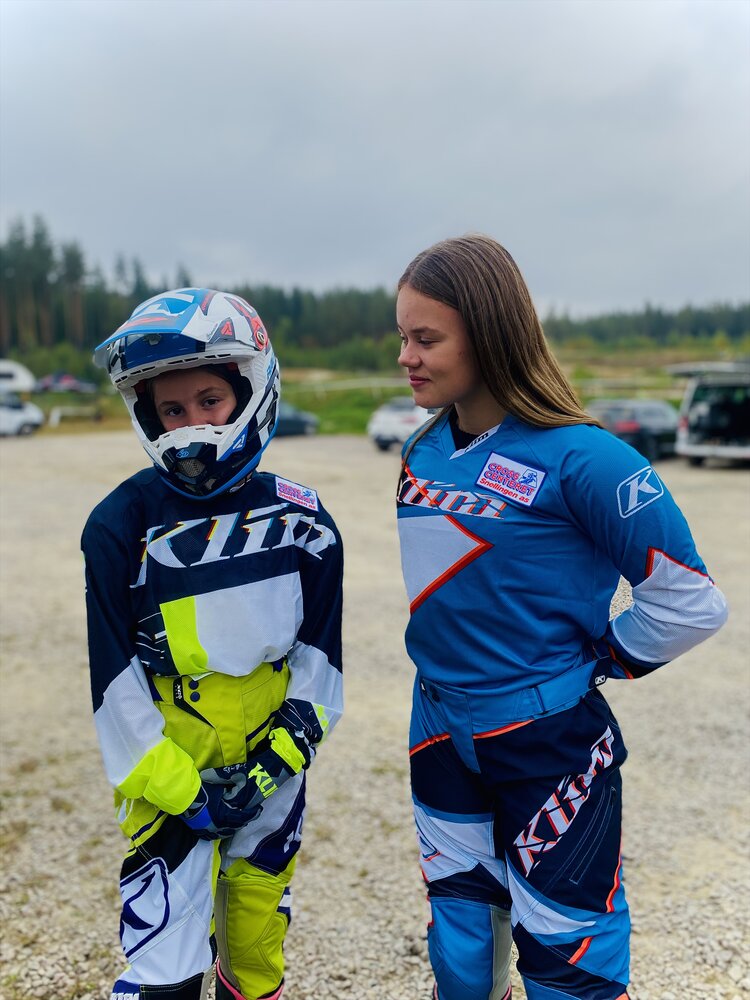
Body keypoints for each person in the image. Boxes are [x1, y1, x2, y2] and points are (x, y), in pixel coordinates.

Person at [393, 235, 728, 1000]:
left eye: (426, 339)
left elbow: (690, 602)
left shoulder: (589, 458)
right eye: (402, 337)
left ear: (490, 333)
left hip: (549, 740)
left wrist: (603, 660)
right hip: (437, 727)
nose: (406, 357)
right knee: (461, 955)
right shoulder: (421, 451)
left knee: (568, 966)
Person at [82, 288, 343, 1000]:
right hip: (169, 773)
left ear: (250, 391)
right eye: (171, 410)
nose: (191, 423)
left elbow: (322, 660)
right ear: (147, 415)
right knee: (163, 964)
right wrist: (182, 790)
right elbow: (112, 684)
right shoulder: (117, 525)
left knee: (254, 945)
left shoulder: (302, 519)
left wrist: (276, 761)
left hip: (272, 763)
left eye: (209, 401)